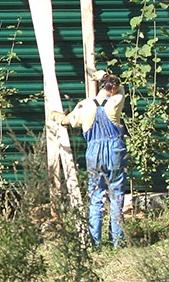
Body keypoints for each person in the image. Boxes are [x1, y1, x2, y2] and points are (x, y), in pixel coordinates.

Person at [57, 70, 127, 247]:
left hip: (94, 152)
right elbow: (121, 89)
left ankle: (94, 242)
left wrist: (57, 117)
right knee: (116, 195)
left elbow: (68, 120)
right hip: (115, 150)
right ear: (113, 88)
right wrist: (105, 76)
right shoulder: (115, 102)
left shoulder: (84, 105)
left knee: (96, 195)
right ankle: (117, 241)